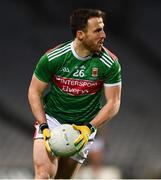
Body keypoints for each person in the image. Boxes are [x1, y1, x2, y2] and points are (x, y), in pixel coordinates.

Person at [28, 8, 122, 179]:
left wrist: (89, 127)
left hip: (83, 126)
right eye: (97, 30)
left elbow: (113, 102)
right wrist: (43, 125)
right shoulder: (53, 57)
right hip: (52, 120)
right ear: (80, 34)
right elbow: (34, 91)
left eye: (103, 28)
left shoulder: (109, 63)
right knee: (43, 175)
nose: (104, 35)